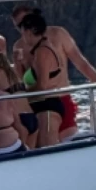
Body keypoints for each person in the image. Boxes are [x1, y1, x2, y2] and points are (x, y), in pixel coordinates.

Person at [11, 5, 96, 141]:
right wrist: (17, 64)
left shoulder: (58, 34)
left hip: (60, 97)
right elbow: (23, 80)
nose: (21, 29)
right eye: (17, 26)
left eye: (24, 23)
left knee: (67, 146)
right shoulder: (19, 46)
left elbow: (81, 63)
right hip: (36, 105)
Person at [18, 11, 67, 148]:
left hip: (47, 107)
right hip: (42, 106)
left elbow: (42, 86)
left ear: (29, 31)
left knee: (47, 151)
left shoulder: (42, 52)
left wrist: (23, 94)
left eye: (23, 33)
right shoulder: (41, 49)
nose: (23, 38)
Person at [0, 42, 38, 149]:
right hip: (32, 117)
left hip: (19, 120)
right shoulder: (13, 71)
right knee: (30, 159)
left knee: (18, 160)